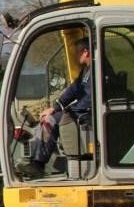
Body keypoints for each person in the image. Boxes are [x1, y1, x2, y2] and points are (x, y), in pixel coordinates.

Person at [18, 38, 93, 179]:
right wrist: (56, 106)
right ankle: (37, 160)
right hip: (83, 111)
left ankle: (38, 164)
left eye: (78, 52)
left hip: (88, 114)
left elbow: (91, 99)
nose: (76, 56)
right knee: (50, 116)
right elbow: (74, 89)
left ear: (86, 52)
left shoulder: (97, 70)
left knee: (50, 120)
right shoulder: (87, 70)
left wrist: (67, 110)